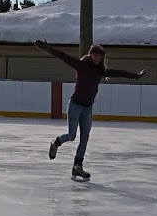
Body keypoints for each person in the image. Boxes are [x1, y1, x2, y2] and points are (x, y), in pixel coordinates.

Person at [35, 39, 145, 180]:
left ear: (102, 58)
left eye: (99, 56)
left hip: (87, 108)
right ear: (90, 55)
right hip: (75, 105)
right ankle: (56, 143)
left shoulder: (100, 71)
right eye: (95, 55)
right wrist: (49, 49)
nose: (97, 58)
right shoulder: (81, 66)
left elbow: (118, 72)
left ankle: (77, 167)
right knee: (71, 135)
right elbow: (64, 57)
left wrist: (135, 76)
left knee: (85, 138)